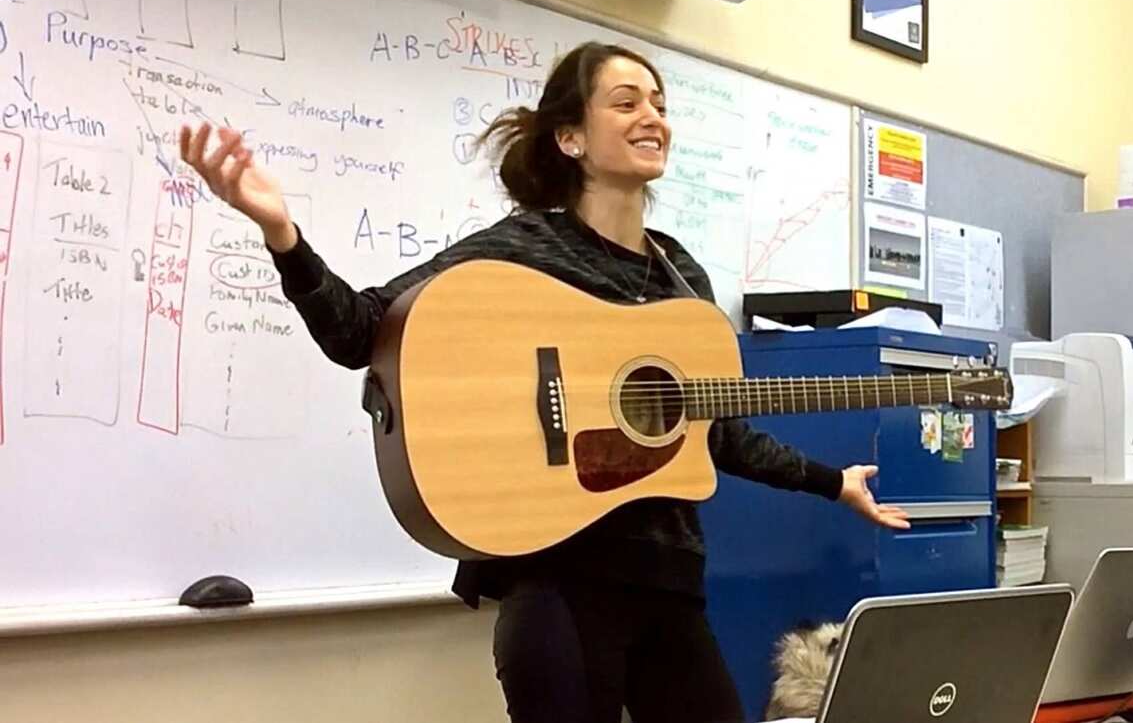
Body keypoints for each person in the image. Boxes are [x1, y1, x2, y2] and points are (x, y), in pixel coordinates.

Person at [179, 40, 910, 723]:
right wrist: (282, 235)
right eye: (625, 102)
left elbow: (713, 432)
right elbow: (358, 331)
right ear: (571, 138)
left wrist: (832, 481)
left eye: (658, 102)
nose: (651, 116)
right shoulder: (522, 249)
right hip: (557, 583)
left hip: (669, 586)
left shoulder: (682, 277)